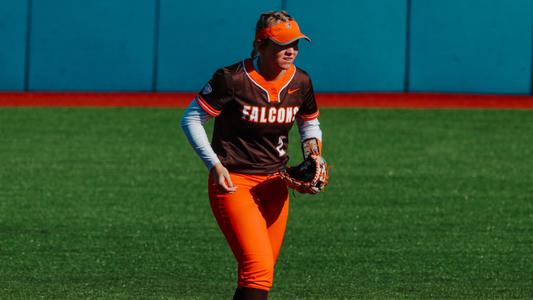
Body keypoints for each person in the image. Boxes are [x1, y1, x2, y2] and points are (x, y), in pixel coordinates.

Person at [181, 11, 325, 300]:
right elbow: (192, 119)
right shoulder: (232, 78)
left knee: (260, 274)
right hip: (234, 183)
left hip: (276, 183)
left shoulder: (301, 81)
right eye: (284, 44)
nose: (292, 50)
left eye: (296, 43)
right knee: (257, 269)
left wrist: (314, 155)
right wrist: (215, 164)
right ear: (261, 44)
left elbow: (309, 122)